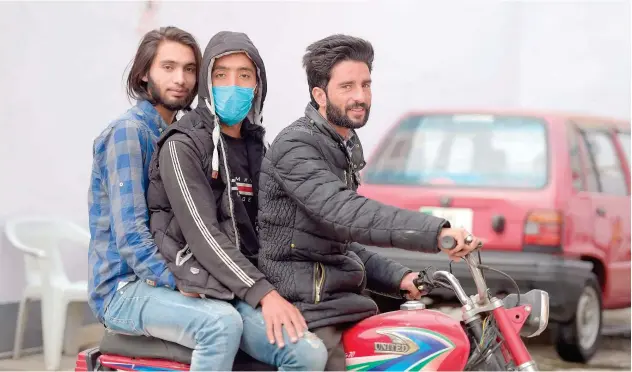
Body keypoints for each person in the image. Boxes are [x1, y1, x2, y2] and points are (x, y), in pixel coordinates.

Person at [257, 34, 483, 370]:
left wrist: (400, 277)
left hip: (338, 302)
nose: (360, 96)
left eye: (365, 84)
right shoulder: (296, 146)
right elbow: (345, 214)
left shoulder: (340, 146)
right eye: (347, 86)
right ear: (320, 94)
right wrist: (436, 232)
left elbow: (338, 241)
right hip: (304, 306)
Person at [145, 31, 328, 371]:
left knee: (323, 343)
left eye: (244, 75)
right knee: (305, 353)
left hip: (250, 280)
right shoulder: (182, 145)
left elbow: (287, 220)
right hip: (208, 283)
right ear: (206, 83)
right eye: (221, 74)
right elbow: (203, 235)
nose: (234, 84)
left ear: (258, 84)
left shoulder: (258, 147)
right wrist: (264, 294)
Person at [87, 26, 247, 372]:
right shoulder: (129, 133)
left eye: (190, 69)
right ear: (145, 73)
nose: (181, 79)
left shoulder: (179, 133)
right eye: (169, 67)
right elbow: (131, 237)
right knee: (220, 324)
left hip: (164, 276)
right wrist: (182, 281)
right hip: (124, 288)